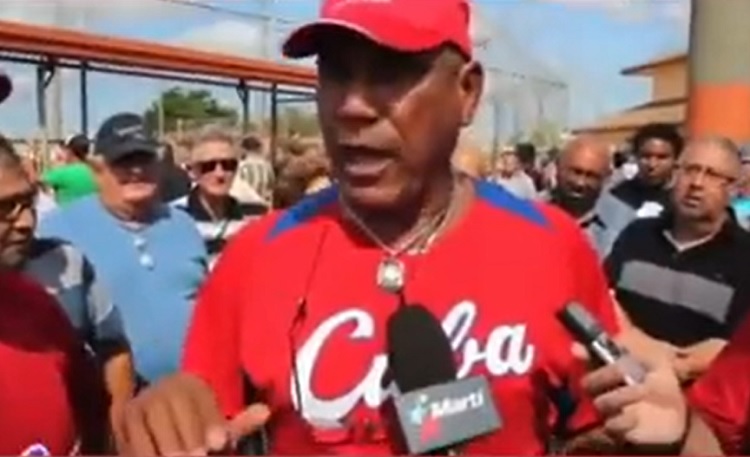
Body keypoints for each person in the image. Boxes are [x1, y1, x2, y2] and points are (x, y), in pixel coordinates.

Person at [115, 0, 618, 455]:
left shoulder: (552, 246)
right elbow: (199, 415)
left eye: (392, 72)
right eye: (335, 73)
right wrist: (166, 421)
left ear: (467, 92)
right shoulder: (257, 255)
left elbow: (600, 429)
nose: (351, 106)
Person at [39, 113, 208, 385]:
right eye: (124, 161)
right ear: (98, 169)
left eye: (144, 159)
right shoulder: (57, 230)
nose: (136, 170)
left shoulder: (183, 224)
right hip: (110, 400)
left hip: (193, 393)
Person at [0, 134, 135, 431]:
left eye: (28, 202)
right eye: (5, 208)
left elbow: (113, 352)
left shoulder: (60, 272)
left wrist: (118, 436)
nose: (26, 222)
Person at [605, 136, 750, 385]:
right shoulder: (637, 234)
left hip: (693, 399)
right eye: (689, 170)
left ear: (733, 188)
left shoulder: (744, 256)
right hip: (618, 382)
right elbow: (605, 298)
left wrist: (675, 369)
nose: (696, 183)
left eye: (712, 175)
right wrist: (640, 349)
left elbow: (733, 348)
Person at [173, 126, 267, 267]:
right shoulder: (172, 217)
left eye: (228, 165)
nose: (220, 174)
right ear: (192, 172)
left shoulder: (256, 214)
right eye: (209, 166)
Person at [543, 136, 611, 257]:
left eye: (591, 176)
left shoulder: (620, 223)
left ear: (605, 178)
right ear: (558, 167)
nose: (580, 183)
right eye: (576, 172)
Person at [41, 133, 98, 206]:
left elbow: (37, 182)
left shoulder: (62, 173)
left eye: (65, 150)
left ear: (70, 152)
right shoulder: (97, 172)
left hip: (68, 212)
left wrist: (57, 162)